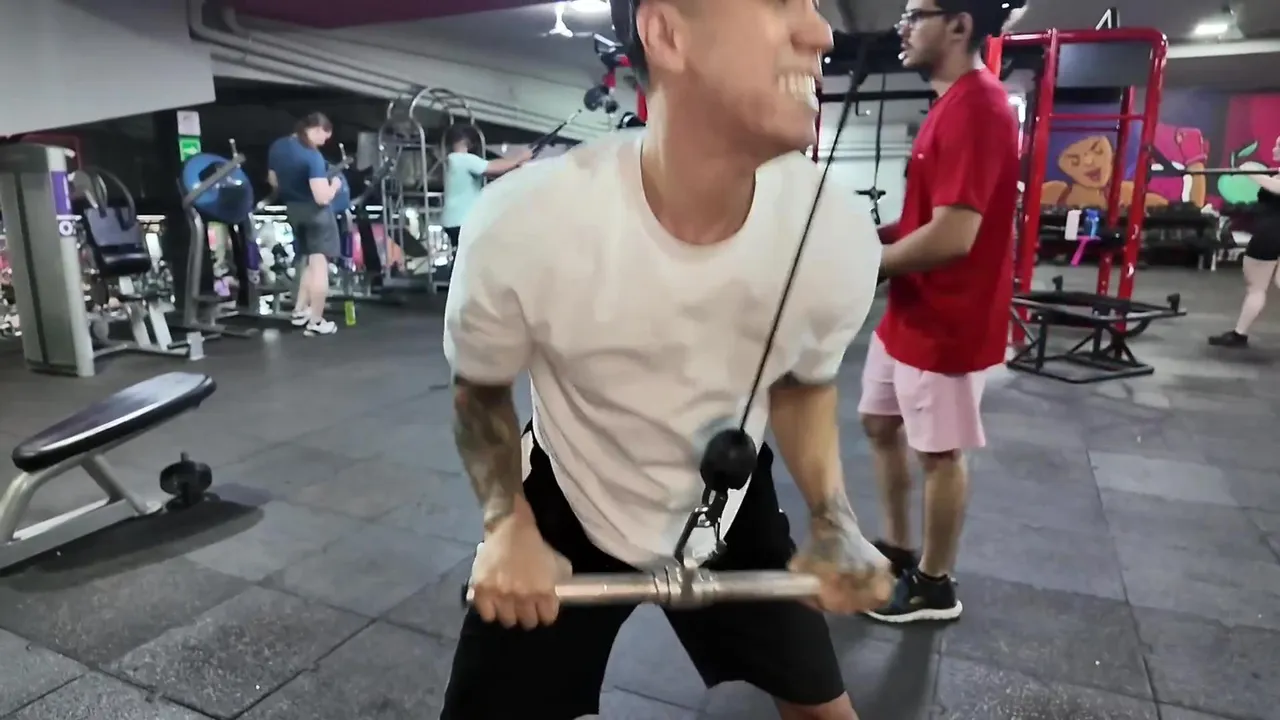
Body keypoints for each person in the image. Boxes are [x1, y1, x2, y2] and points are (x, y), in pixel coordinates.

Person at [441, 0, 896, 718]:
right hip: (569, 491)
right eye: (780, 2)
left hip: (727, 498)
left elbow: (802, 386)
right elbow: (481, 390)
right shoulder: (526, 223)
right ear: (666, 33)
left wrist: (833, 519)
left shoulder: (834, 235)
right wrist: (507, 527)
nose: (821, 33)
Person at [858, 0, 1024, 624]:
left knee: (939, 453)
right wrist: (864, 240)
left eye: (915, 14)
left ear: (959, 25)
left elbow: (955, 236)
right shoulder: (949, 104)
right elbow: (926, 220)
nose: (902, 26)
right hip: (911, 309)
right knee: (878, 421)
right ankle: (899, 548)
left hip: (947, 319)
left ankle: (934, 583)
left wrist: (867, 267)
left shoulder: (980, 106)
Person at [267, 112, 342, 337]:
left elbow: (273, 181)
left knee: (308, 261)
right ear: (317, 129)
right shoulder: (312, 156)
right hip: (316, 215)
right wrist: (335, 186)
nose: (323, 143)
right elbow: (322, 197)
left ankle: (300, 311)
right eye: (324, 137)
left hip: (293, 210)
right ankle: (316, 321)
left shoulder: (278, 146)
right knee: (320, 266)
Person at [1209, 136, 1280, 349]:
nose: (1274, 148)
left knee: (1256, 288)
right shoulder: (1276, 172)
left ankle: (1239, 334)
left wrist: (1251, 172)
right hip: (1271, 232)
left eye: (1279, 145)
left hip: (1271, 234)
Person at [441, 125, 533, 251]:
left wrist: (513, 166)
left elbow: (491, 172)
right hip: (462, 221)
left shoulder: (452, 160)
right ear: (466, 142)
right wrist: (519, 158)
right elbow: (491, 167)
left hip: (452, 221)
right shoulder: (462, 159)